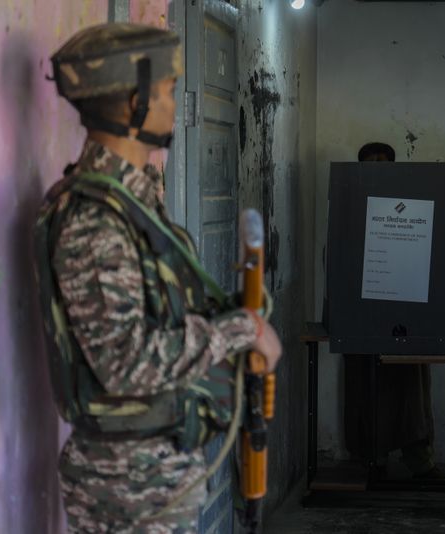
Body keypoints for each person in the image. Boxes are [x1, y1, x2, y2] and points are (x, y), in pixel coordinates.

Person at [35, 23, 282, 532]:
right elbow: (126, 364)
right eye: (168, 90)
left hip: (155, 470)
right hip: (128, 483)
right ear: (133, 103)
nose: (175, 102)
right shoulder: (93, 220)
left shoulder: (133, 198)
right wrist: (243, 330)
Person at [342, 142, 443, 479]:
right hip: (363, 316)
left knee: (411, 391)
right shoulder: (348, 204)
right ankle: (373, 460)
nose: (376, 173)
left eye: (382, 166)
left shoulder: (411, 205)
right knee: (367, 389)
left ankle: (421, 461)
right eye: (369, 166)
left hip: (406, 315)